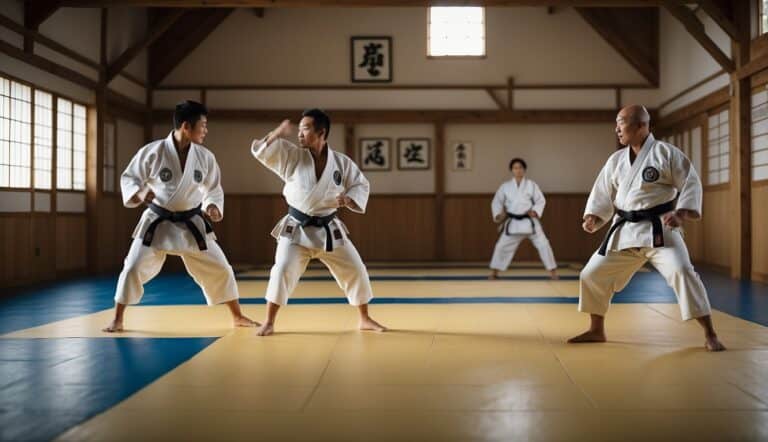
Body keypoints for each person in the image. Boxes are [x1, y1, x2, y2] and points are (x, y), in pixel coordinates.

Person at [568, 105, 725, 352]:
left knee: (683, 271)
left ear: (641, 125)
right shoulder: (616, 160)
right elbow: (602, 192)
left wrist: (681, 212)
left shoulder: (666, 153)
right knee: (591, 274)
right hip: (625, 232)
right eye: (616, 122)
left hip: (660, 230)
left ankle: (710, 333)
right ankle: (596, 329)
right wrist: (594, 217)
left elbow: (691, 182)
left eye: (622, 122)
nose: (617, 128)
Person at [103, 100, 256, 332]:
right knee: (133, 266)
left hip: (191, 223)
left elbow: (213, 188)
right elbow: (129, 178)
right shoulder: (153, 152)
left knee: (221, 268)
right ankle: (117, 318)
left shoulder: (205, 157)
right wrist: (141, 192)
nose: (206, 130)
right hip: (158, 221)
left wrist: (213, 205)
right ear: (186, 126)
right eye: (202, 125)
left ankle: (237, 316)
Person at [250, 108, 387, 336]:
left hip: (329, 229)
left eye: (305, 129)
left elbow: (361, 184)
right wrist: (277, 132)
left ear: (321, 132)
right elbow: (262, 152)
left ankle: (365, 318)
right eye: (299, 129)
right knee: (282, 269)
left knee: (356, 269)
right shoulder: (293, 156)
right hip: (297, 228)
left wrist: (349, 200)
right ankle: (269, 321)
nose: (299, 134)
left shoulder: (341, 163)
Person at [489, 158, 558, 280]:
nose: (518, 170)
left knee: (544, 245)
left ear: (524, 169)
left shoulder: (531, 185)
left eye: (520, 167)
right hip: (513, 222)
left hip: (529, 221)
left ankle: (553, 272)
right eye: (515, 168)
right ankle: (494, 272)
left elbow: (540, 200)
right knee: (501, 246)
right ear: (512, 170)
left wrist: (535, 211)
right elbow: (497, 202)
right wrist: (499, 214)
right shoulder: (505, 187)